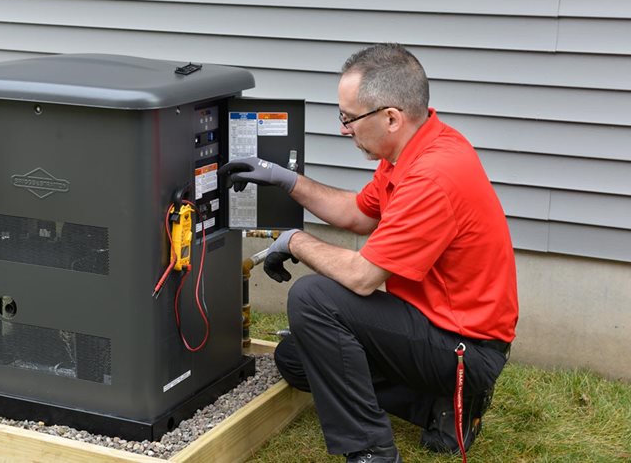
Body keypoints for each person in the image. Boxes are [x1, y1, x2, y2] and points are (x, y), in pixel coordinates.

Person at [219, 43, 518, 463]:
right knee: (295, 359)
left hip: (465, 349)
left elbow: (363, 277)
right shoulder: (412, 151)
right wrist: (286, 180)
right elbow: (358, 213)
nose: (344, 129)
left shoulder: (432, 176)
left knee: (313, 299)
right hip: (432, 329)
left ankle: (372, 452)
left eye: (349, 118)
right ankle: (438, 407)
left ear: (391, 117)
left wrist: (294, 241)